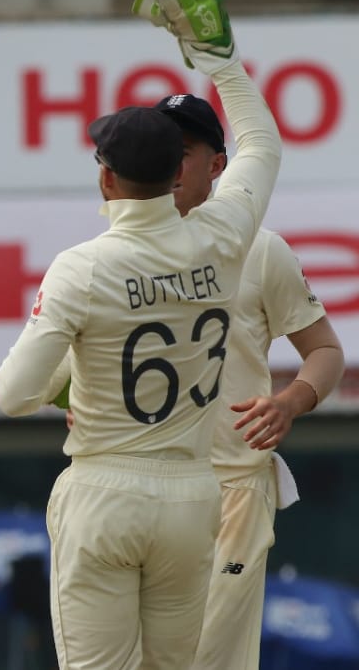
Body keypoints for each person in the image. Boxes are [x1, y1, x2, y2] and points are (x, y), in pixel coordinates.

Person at [0, 0, 283, 667]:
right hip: (191, 494)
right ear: (178, 171)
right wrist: (220, 60)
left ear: (105, 174)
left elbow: (14, 394)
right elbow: (262, 143)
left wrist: (68, 382)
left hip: (105, 491)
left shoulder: (80, 267)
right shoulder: (225, 237)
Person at [154, 92, 345, 670]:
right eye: (159, 150)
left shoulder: (261, 252)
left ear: (218, 166)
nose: (168, 166)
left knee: (209, 658)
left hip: (235, 486)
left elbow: (326, 352)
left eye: (183, 152)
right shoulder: (117, 254)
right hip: (145, 486)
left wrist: (290, 401)